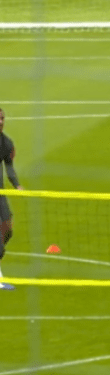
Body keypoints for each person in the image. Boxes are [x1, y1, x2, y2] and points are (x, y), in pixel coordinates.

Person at [0, 109, 23, 291]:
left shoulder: (6, 143)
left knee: (7, 230)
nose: (0, 121)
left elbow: (9, 168)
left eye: (2, 118)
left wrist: (17, 185)